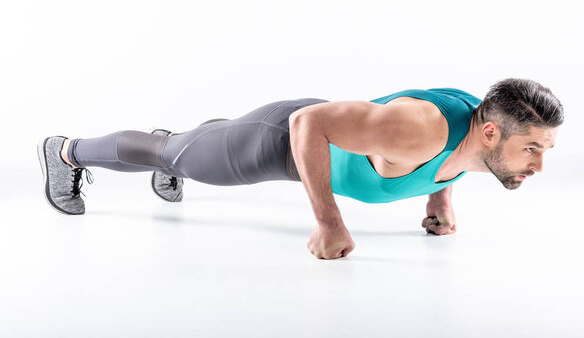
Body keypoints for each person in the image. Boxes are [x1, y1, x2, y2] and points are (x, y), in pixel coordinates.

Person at [37, 78, 563, 260]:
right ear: (492, 132)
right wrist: (330, 222)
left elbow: (453, 159)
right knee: (171, 153)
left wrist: (438, 196)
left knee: (199, 145)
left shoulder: (483, 130)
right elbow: (309, 123)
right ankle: (67, 151)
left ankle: (205, 138)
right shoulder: (418, 130)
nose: (538, 165)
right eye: (532, 150)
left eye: (544, 151)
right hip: (279, 143)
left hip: (322, 130)